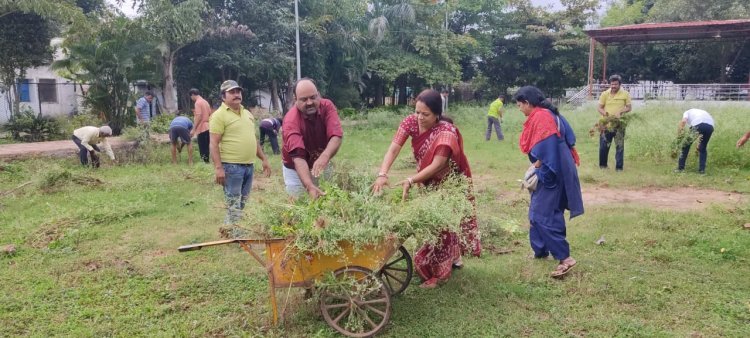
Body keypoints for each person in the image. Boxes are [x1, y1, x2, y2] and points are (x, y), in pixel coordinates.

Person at [372, 89, 481, 289]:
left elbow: (438, 165)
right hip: (426, 180)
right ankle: (454, 259)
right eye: (417, 112)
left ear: (437, 114)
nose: (420, 118)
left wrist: (411, 180)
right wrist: (382, 173)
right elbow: (394, 147)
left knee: (442, 224)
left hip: (449, 182)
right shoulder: (410, 122)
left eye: (426, 114)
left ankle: (440, 275)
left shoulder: (446, 133)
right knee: (433, 222)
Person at [514, 86, 583, 278]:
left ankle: (566, 258)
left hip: (553, 168)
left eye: (520, 105)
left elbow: (547, 147)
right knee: (550, 210)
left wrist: (537, 167)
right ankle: (540, 250)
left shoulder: (541, 117)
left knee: (541, 214)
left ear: (527, 103)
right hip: (560, 164)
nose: (520, 109)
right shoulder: (549, 113)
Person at [209, 80, 271, 225]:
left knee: (242, 201)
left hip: (249, 166)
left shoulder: (247, 114)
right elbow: (213, 143)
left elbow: (253, 140)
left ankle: (228, 227)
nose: (236, 95)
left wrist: (264, 159)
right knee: (233, 202)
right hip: (231, 167)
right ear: (223, 97)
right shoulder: (219, 115)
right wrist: (218, 168)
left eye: (238, 92)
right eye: (232, 92)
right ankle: (236, 234)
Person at [281, 78, 343, 199]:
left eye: (313, 97)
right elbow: (298, 158)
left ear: (318, 94)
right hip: (295, 168)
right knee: (300, 204)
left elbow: (336, 136)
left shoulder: (327, 106)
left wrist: (325, 157)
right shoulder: (290, 121)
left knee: (327, 200)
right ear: (295, 100)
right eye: (304, 99)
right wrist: (309, 185)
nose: (309, 102)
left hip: (322, 161)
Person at [597, 74, 631, 171]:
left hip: (619, 124)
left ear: (620, 84)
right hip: (606, 124)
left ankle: (619, 168)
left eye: (615, 84)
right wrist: (606, 115)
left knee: (619, 146)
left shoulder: (625, 94)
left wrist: (621, 111)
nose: (613, 86)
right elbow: (599, 108)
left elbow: (629, 107)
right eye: (612, 84)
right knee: (604, 146)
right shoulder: (605, 94)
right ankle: (603, 166)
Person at [675, 109, 715, 174]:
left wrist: (679, 135)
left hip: (698, 123)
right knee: (702, 148)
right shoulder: (701, 112)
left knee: (685, 145)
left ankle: (680, 168)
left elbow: (683, 121)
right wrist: (698, 144)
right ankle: (702, 170)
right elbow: (701, 131)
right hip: (710, 126)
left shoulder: (687, 112)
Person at [189, 88, 212, 163]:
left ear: (192, 95)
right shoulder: (205, 102)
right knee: (207, 146)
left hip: (202, 127)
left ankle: (204, 162)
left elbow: (199, 116)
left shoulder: (198, 103)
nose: (191, 98)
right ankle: (207, 161)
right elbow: (209, 113)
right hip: (208, 126)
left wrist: (194, 129)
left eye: (191, 96)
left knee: (202, 146)